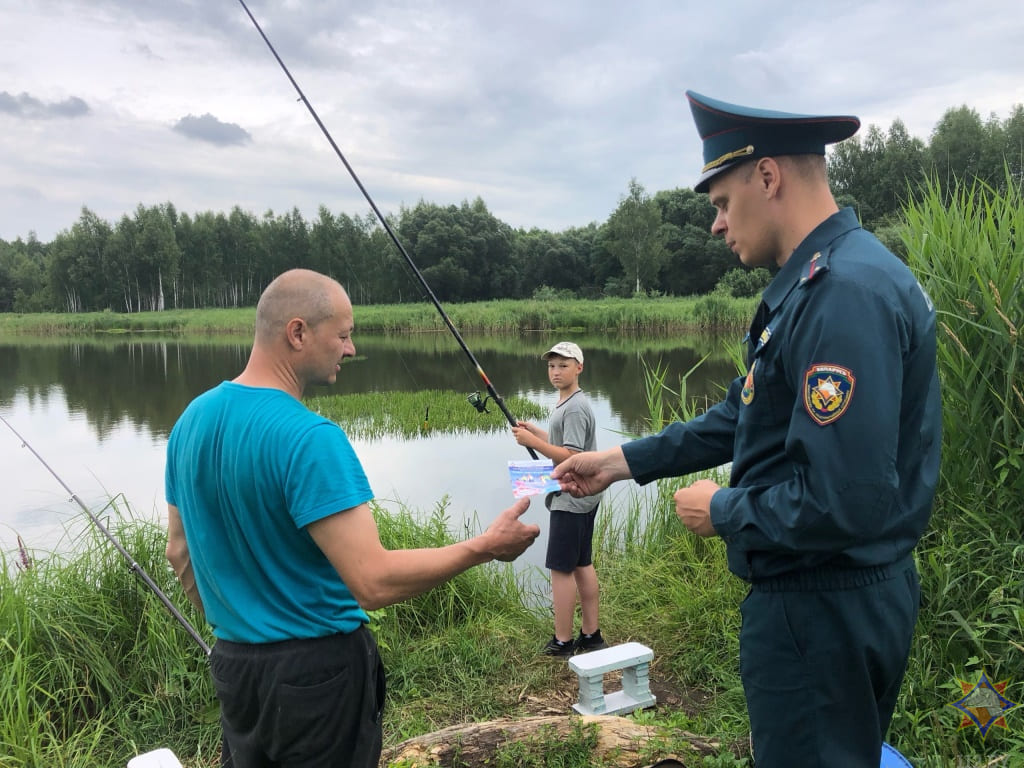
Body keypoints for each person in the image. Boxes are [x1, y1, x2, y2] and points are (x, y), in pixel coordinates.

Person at [552, 91, 941, 767]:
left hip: (822, 606)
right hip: (832, 600)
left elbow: (841, 500)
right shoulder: (818, 285)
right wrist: (618, 461)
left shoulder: (842, 292)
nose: (716, 226)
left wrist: (723, 509)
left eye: (722, 203)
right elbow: (742, 415)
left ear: (768, 177)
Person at [165, 268, 540, 768]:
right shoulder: (310, 439)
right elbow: (372, 582)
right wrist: (484, 546)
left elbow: (178, 551)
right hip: (319, 676)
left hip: (234, 664)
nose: (350, 348)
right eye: (342, 334)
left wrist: (239, 624)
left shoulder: (190, 420)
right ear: (298, 333)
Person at [512, 341, 607, 657]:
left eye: (563, 365)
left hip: (571, 497)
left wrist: (531, 443)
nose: (555, 371)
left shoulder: (577, 406)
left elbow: (573, 456)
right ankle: (591, 635)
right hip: (580, 498)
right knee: (582, 563)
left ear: (579, 368)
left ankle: (563, 641)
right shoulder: (568, 402)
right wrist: (535, 432)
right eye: (552, 366)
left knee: (561, 569)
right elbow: (562, 443)